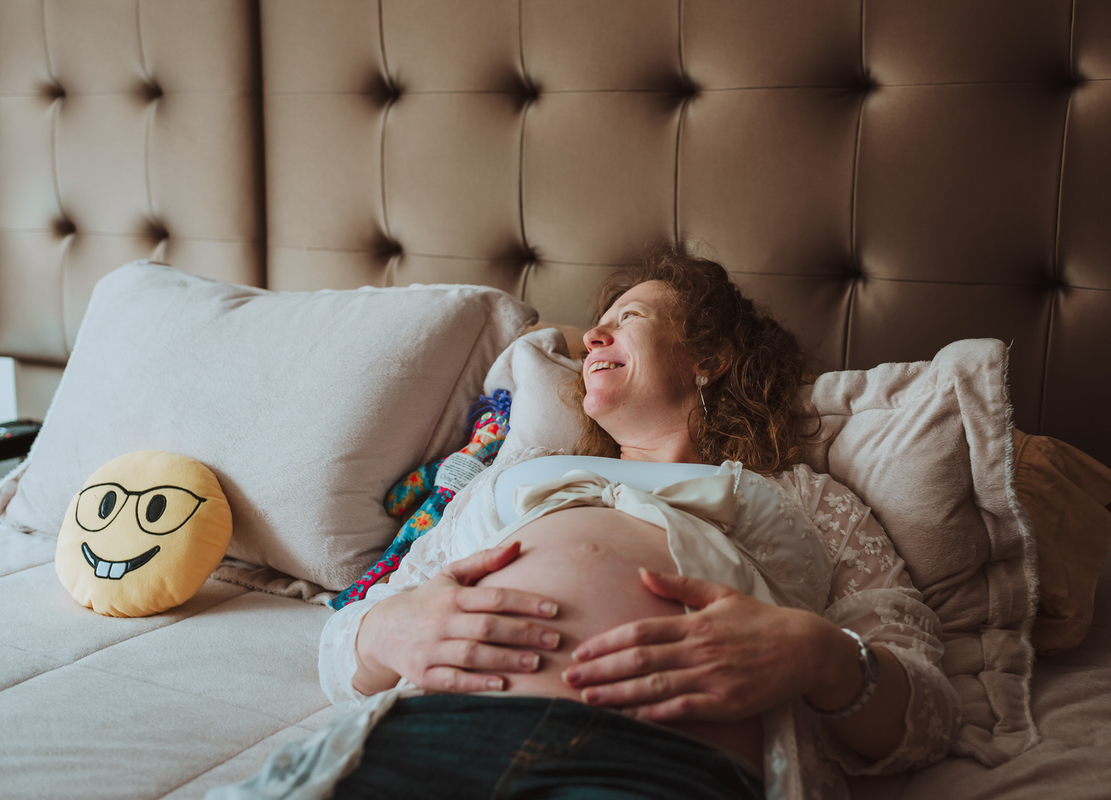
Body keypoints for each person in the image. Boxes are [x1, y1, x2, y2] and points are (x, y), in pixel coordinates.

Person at [318, 245, 961, 799]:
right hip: (436, 740)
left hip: (660, 761)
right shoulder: (511, 478)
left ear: (708, 357)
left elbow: (927, 716)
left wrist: (818, 657)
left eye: (627, 319)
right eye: (596, 328)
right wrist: (388, 631)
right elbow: (342, 643)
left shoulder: (810, 499)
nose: (592, 338)